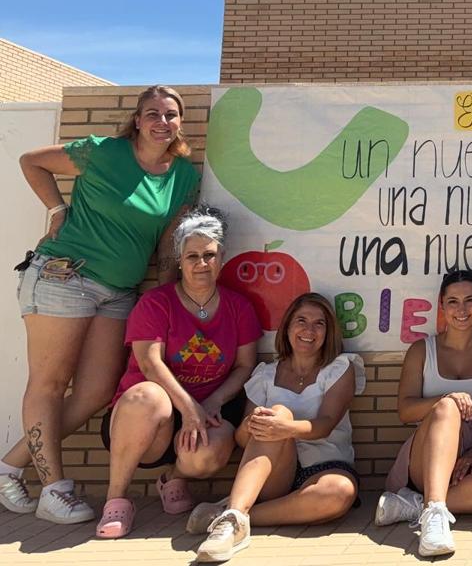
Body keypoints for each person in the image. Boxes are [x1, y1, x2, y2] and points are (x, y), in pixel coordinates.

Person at [2, 85, 200, 524]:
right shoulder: (104, 152)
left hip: (120, 292)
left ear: (180, 122)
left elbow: (168, 241)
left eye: (171, 114)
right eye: (153, 113)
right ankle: (54, 490)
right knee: (50, 384)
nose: (162, 122)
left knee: (94, 392)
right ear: (137, 120)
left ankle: (9, 466)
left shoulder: (183, 175)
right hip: (64, 276)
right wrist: (57, 211)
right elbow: (31, 161)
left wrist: (167, 295)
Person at [94, 208, 261, 539]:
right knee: (148, 395)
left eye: (209, 255)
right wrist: (189, 408)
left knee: (208, 456)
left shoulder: (238, 306)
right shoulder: (156, 303)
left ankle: (174, 479)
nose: (202, 264)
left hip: (207, 412)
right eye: (192, 256)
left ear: (222, 258)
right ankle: (116, 500)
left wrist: (212, 402)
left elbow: (245, 365)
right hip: (146, 420)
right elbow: (149, 364)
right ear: (180, 261)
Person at [185, 293, 365, 562]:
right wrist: (252, 424)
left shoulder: (340, 368)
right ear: (288, 326)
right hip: (276, 472)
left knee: (341, 492)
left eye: (319, 324)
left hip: (326, 466)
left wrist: (286, 427)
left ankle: (228, 517)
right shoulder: (265, 374)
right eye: (301, 321)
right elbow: (243, 440)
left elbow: (326, 424)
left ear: (329, 333)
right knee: (276, 412)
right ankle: (233, 521)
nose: (309, 330)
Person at [375, 269, 472, 558]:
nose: (462, 309)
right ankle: (434, 517)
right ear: (442, 306)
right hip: (427, 454)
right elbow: (405, 411)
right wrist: (446, 399)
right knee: (447, 407)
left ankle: (413, 506)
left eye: (469, 300)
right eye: (453, 302)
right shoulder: (422, 350)